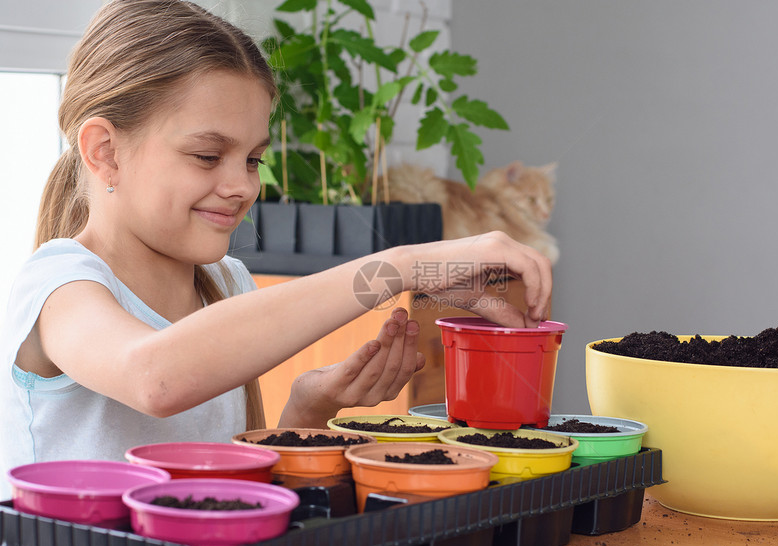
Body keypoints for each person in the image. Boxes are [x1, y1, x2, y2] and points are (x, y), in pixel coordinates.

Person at [0, 0, 552, 499]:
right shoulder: (59, 284)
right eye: (207, 156)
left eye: (252, 159)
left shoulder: (226, 282)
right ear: (105, 152)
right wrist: (401, 265)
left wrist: (310, 407)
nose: (241, 184)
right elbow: (156, 378)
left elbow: (233, 483)